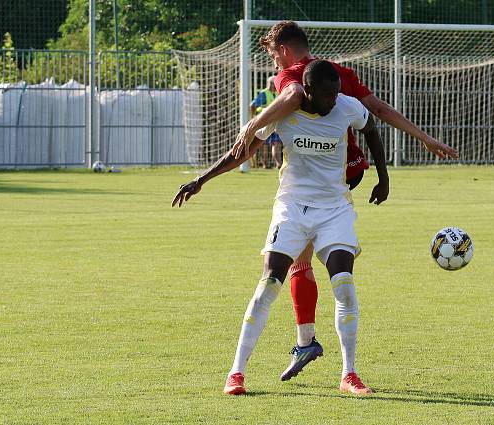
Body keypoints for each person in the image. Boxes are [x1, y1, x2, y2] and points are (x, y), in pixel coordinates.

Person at [227, 21, 457, 383]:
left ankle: (309, 344)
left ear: (284, 51)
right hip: (348, 171)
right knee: (301, 262)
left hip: (323, 181)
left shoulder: (292, 77)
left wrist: (249, 125)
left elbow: (289, 101)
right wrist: (424, 138)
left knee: (299, 262)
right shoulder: (341, 73)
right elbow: (379, 110)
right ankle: (306, 345)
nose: (273, 65)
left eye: (273, 56)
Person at [172, 60, 388, 395]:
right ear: (309, 91)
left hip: (334, 209)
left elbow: (371, 130)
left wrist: (383, 178)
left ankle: (349, 374)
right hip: (291, 209)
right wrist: (202, 179)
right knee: (269, 284)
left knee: (343, 283)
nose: (334, 99)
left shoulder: (347, 107)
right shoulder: (284, 114)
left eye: (337, 93)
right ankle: (236, 373)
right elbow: (241, 152)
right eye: (328, 94)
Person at [249, 76, 283, 168]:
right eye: (271, 83)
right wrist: (253, 117)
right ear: (267, 83)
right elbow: (252, 105)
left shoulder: (278, 93)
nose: (273, 85)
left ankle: (278, 163)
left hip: (275, 121)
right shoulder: (264, 93)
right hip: (264, 122)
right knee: (263, 143)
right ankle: (265, 164)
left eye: (274, 83)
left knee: (276, 143)